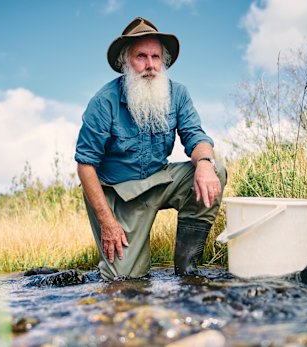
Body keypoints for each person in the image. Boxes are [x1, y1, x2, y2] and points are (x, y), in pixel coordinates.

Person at [75, 17, 227, 281]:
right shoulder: (103, 102)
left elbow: (195, 136)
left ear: (163, 61)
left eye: (156, 57)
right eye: (141, 57)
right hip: (119, 195)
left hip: (159, 179)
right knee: (125, 280)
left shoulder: (178, 93)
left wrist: (204, 163)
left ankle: (187, 270)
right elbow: (85, 165)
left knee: (216, 169)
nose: (150, 65)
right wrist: (108, 222)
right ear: (125, 61)